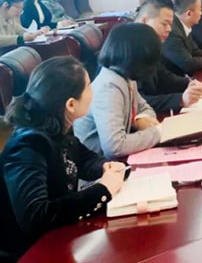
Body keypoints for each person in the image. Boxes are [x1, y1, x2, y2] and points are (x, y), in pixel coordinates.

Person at [0, 57, 125, 261]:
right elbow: (36, 216)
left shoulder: (57, 126)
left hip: (56, 237)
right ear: (71, 104)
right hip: (28, 252)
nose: (93, 90)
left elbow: (84, 160)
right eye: (88, 87)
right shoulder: (28, 146)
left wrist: (106, 167)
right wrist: (102, 190)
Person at [74, 23, 162, 158]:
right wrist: (158, 132)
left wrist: (140, 119)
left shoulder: (124, 76)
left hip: (116, 162)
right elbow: (115, 146)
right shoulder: (108, 88)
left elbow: (145, 109)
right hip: (98, 169)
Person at [134, 0, 202, 114]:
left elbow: (163, 76)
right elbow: (136, 103)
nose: (169, 29)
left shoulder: (150, 44)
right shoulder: (128, 50)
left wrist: (190, 83)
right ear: (144, 21)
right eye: (164, 24)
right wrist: (180, 99)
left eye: (171, 24)